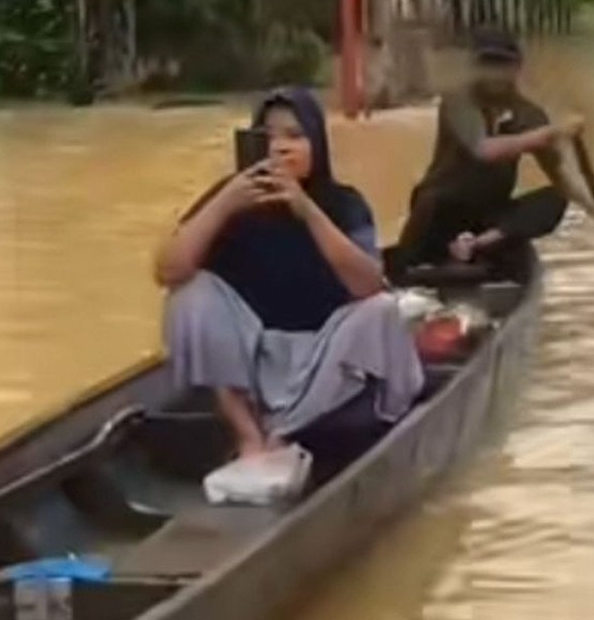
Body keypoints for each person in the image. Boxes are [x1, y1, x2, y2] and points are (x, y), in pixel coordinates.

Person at [157, 87, 424, 459]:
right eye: (268, 138)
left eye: (295, 137)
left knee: (383, 311)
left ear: (317, 144)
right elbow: (168, 270)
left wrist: (305, 209)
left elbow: (368, 284)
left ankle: (284, 433)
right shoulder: (231, 198)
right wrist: (225, 203)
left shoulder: (342, 202)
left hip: (326, 365)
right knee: (188, 294)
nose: (280, 148)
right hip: (253, 358)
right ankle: (248, 434)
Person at [392, 28, 585, 276]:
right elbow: (483, 150)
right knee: (431, 202)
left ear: (516, 68)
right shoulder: (457, 103)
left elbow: (559, 177)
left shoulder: (529, 115)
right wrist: (551, 133)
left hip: (488, 215)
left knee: (555, 198)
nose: (494, 74)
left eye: (501, 64)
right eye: (487, 64)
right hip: (442, 210)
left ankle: (475, 244)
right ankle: (424, 258)